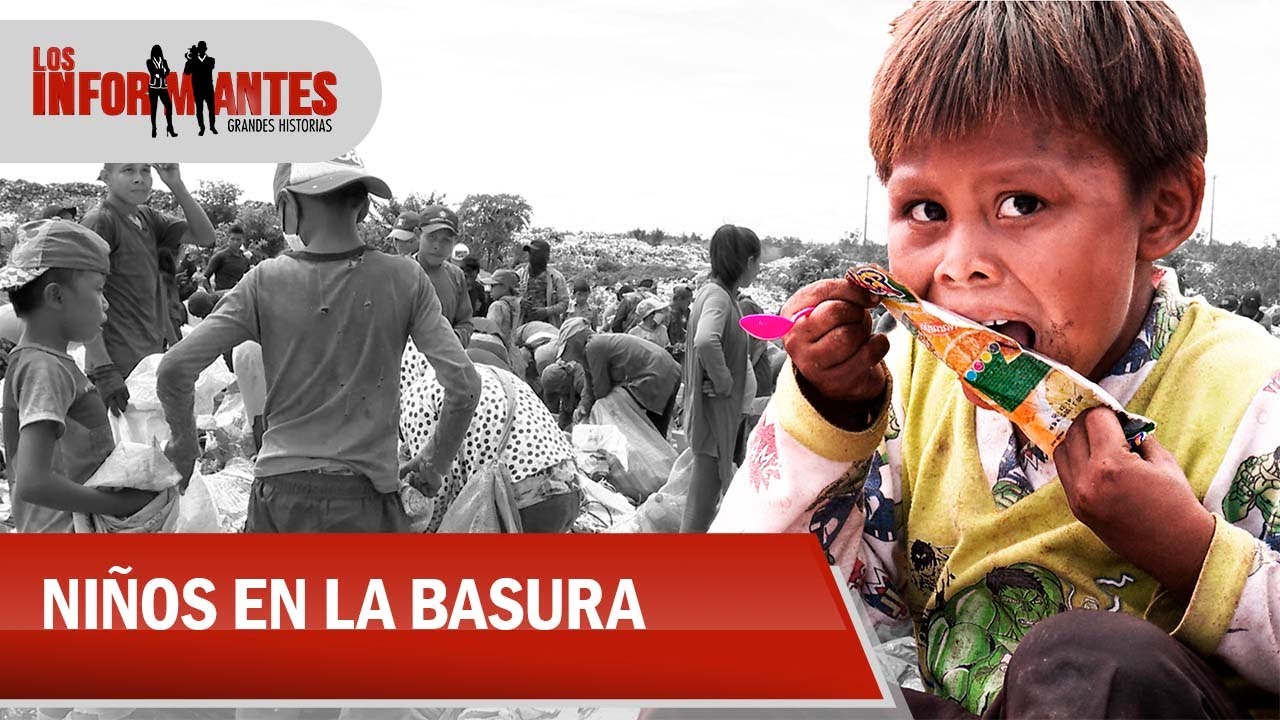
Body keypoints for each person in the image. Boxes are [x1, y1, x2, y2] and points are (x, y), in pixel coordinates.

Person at [710, 3, 1279, 718]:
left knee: (1097, 670)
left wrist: (1191, 553)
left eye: (1021, 202)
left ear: (1162, 210)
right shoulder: (914, 389)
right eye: (925, 210)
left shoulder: (1247, 393)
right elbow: (745, 603)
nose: (961, 264)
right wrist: (829, 415)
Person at [156, 153, 482, 533]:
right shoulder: (405, 277)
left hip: (281, 499)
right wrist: (433, 462)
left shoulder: (266, 280)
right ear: (361, 206)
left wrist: (184, 446)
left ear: (287, 207)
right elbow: (464, 385)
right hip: (368, 502)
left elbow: (175, 368)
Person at [1, 219, 157, 532]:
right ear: (56, 297)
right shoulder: (43, 368)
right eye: (99, 290)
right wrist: (119, 505)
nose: (106, 302)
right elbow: (33, 482)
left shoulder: (49, 362)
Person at [79, 163, 215, 415]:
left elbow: (205, 237)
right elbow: (81, 295)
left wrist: (175, 183)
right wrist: (103, 368)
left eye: (145, 170)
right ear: (106, 178)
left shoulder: (147, 218)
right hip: (115, 366)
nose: (139, 179)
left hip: (146, 360)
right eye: (128, 170)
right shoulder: (101, 221)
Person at [399, 362, 582, 533]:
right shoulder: (486, 372)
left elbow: (435, 486)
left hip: (525, 504)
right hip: (568, 489)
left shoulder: (416, 398)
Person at [680, 225, 759, 534]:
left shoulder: (719, 294)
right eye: (758, 262)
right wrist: (725, 382)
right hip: (715, 418)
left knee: (707, 501)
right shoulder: (719, 299)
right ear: (749, 262)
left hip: (718, 418)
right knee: (700, 508)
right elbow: (705, 339)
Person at [557, 320, 682, 436]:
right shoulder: (590, 352)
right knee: (655, 432)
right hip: (668, 369)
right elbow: (589, 384)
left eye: (567, 350)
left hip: (656, 373)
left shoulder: (594, 346)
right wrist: (583, 406)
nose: (568, 357)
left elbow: (602, 389)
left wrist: (592, 414)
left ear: (575, 342)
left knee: (646, 431)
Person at [409, 206, 474, 348]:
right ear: (418, 234)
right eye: (431, 237)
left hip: (445, 360)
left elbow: (465, 323)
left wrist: (451, 341)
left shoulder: (456, 276)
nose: (437, 246)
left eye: (446, 240)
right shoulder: (398, 272)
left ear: (454, 241)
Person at [517, 237, 570, 327]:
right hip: (522, 327)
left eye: (536, 253)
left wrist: (546, 311)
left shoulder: (556, 277)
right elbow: (508, 297)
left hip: (549, 328)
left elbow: (564, 304)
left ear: (545, 256)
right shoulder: (519, 275)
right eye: (530, 253)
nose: (532, 256)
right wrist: (519, 302)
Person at [540, 359, 588, 430]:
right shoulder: (566, 390)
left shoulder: (580, 381)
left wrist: (582, 407)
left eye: (556, 392)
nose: (558, 395)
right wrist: (560, 430)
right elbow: (565, 412)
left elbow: (589, 399)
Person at [202, 224, 251, 292]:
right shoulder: (220, 256)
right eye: (232, 239)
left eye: (238, 240)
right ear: (228, 240)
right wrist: (212, 294)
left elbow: (248, 277)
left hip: (238, 296)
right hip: (222, 296)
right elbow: (204, 278)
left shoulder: (244, 259)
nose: (235, 242)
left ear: (242, 241)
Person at [183, 41, 217, 136]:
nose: (201, 51)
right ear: (198, 50)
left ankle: (212, 127)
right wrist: (190, 60)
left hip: (208, 89)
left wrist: (193, 58)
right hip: (198, 90)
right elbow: (186, 72)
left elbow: (207, 67)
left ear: (205, 49)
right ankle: (202, 128)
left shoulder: (211, 60)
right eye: (200, 49)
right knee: (199, 110)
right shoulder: (193, 61)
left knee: (211, 109)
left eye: (203, 49)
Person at [146, 45, 177, 139]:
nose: (157, 53)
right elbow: (152, 72)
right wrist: (162, 71)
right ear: (152, 52)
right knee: (154, 108)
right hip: (153, 88)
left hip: (163, 87)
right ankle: (154, 128)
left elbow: (167, 71)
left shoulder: (164, 61)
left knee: (169, 105)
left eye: (159, 51)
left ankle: (170, 127)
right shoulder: (149, 61)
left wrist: (161, 72)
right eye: (155, 51)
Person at [666, 284, 692, 364]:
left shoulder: (687, 312)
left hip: (684, 352)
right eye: (688, 301)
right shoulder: (666, 313)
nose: (690, 304)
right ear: (679, 299)